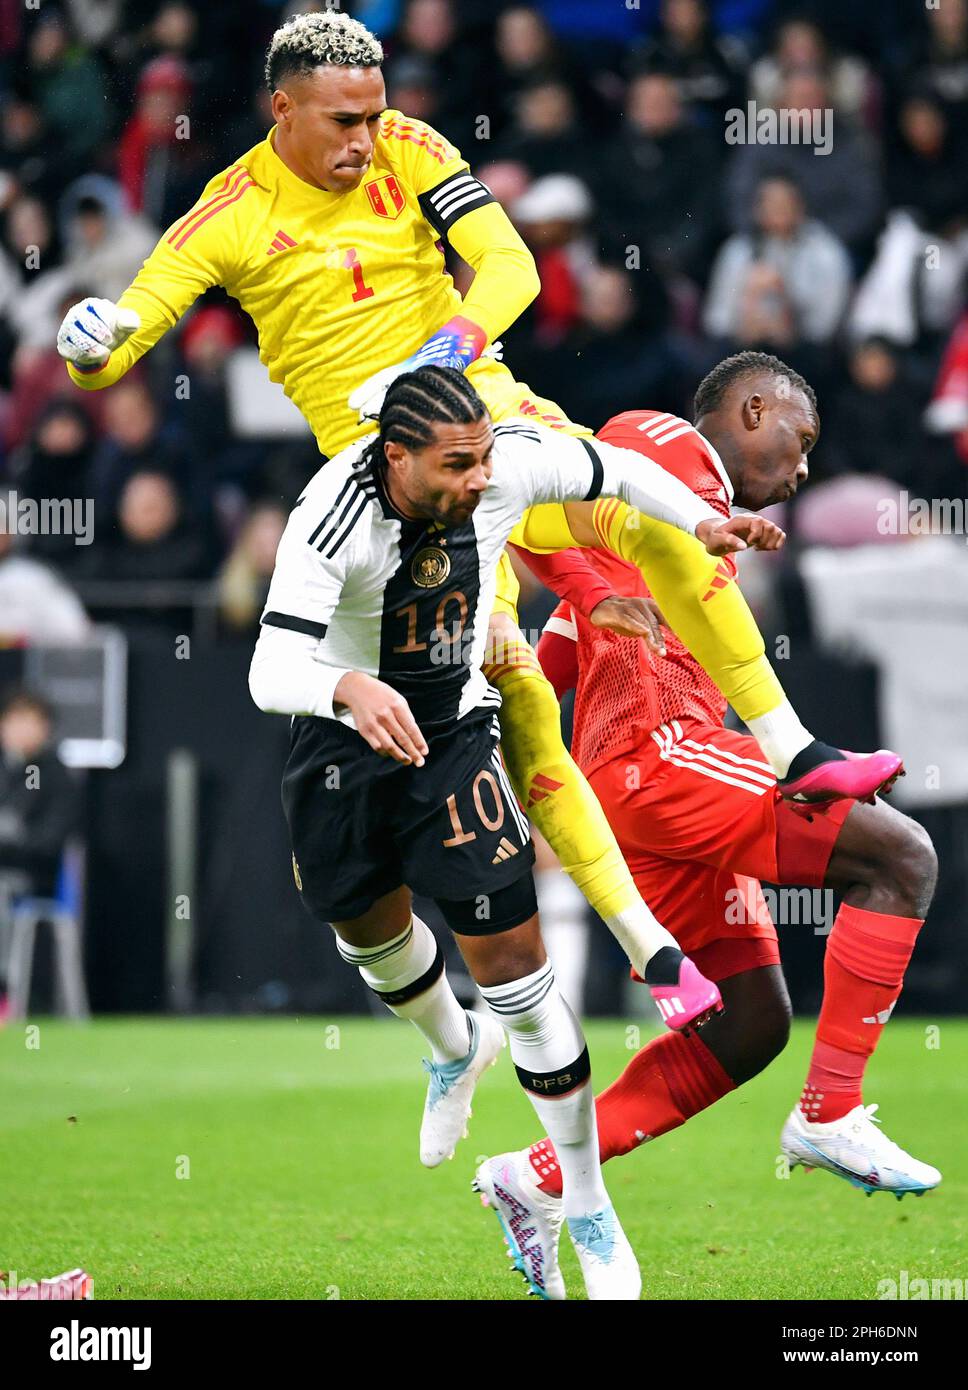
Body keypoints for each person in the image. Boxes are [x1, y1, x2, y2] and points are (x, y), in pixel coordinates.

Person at [56, 9, 899, 1014]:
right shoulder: (227, 212)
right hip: (401, 493)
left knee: (660, 525)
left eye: (373, 112)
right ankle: (643, 953)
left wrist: (447, 351)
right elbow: (129, 332)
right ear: (281, 110)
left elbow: (511, 268)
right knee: (514, 697)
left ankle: (789, 748)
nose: (364, 137)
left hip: (491, 408)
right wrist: (90, 343)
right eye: (341, 120)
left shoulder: (412, 148)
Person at [247, 364, 769, 1298]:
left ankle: (589, 1208)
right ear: (394, 457)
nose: (480, 482)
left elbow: (608, 470)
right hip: (341, 742)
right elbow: (270, 663)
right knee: (366, 935)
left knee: (520, 975)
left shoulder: (507, 463)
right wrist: (348, 687)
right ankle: (453, 1048)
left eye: (485, 459)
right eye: (456, 467)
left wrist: (699, 524)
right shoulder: (331, 513)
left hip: (452, 739)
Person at [472, 354, 940, 1299]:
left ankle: (539, 1177)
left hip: (643, 789)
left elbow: (562, 645)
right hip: (661, 758)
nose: (801, 468)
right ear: (753, 407)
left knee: (752, 1022)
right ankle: (830, 1113)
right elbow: (546, 519)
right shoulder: (664, 443)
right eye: (798, 440)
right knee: (900, 855)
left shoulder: (661, 528)